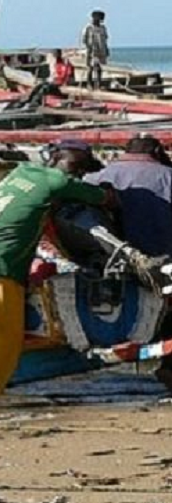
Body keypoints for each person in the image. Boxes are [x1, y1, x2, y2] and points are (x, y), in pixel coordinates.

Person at [0, 140, 114, 412]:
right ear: (75, 170)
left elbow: (41, 226)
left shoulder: (21, 172)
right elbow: (106, 198)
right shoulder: (59, 183)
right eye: (82, 173)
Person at [85, 135, 172, 391]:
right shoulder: (167, 176)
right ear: (157, 151)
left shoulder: (96, 178)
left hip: (111, 266)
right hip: (163, 266)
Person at [81, 10, 109, 90]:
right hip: (91, 51)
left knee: (99, 68)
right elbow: (84, 40)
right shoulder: (88, 28)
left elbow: (105, 40)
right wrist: (88, 48)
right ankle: (89, 84)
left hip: (101, 51)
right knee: (91, 67)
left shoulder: (103, 28)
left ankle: (98, 84)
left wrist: (106, 49)